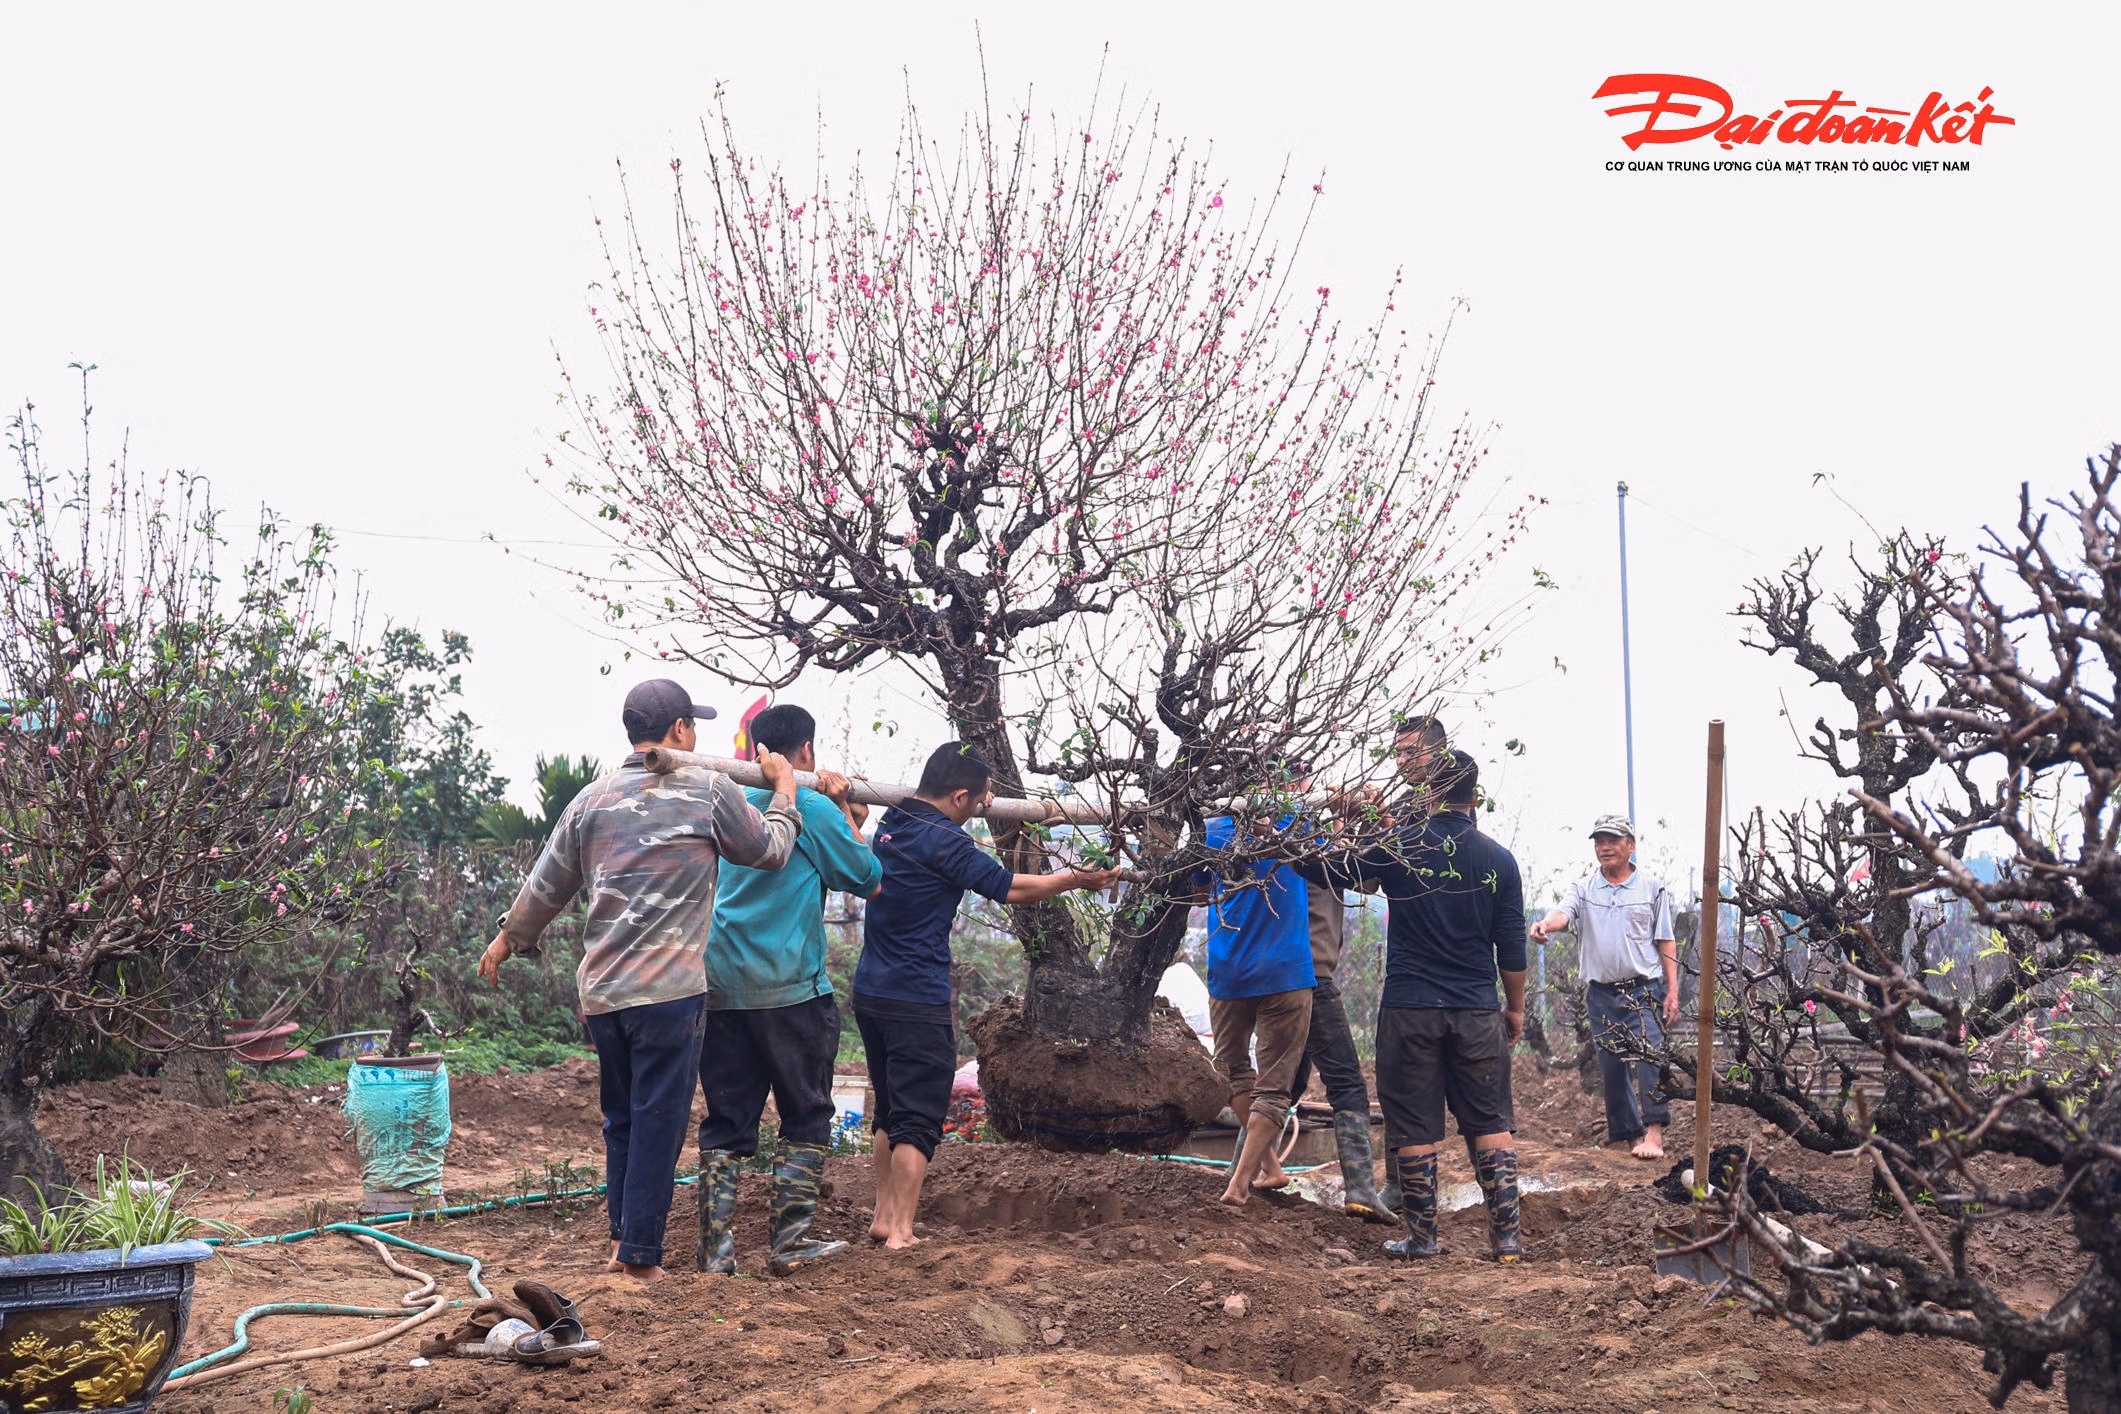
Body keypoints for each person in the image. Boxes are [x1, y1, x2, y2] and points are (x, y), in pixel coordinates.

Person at [479, 679, 802, 1284]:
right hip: (668, 994)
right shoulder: (709, 790)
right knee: (658, 1121)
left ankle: (622, 1241)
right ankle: (640, 1258)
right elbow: (770, 851)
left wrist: (507, 939)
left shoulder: (591, 800)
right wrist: (784, 792)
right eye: (693, 724)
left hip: (603, 996)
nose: (696, 735)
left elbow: (546, 884)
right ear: (679, 729)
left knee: (624, 1120)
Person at [852, 742, 1118, 1248]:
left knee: (889, 1110)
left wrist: (979, 793)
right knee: (917, 1118)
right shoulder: (946, 842)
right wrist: (1075, 879)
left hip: (871, 993)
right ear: (958, 796)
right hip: (918, 998)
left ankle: (884, 1217)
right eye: (976, 801)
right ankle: (902, 1232)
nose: (980, 807)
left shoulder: (894, 819)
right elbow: (1009, 887)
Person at [1297, 751, 1529, 1261]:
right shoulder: (1499, 860)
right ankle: (1507, 1242)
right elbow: (1512, 949)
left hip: (1410, 1008)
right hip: (1477, 1009)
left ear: (1428, 793)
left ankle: (1423, 1240)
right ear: (1475, 795)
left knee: (1414, 1123)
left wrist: (1282, 840)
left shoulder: (1400, 847)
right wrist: (1514, 1009)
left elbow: (1332, 870)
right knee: (1491, 1121)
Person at [696, 704, 880, 1277]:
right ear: (806, 752)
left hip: (722, 985)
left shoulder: (726, 800)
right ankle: (790, 1242)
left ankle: (715, 1252)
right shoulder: (812, 805)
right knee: (805, 1113)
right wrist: (847, 812)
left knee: (726, 1121)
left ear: (756, 749)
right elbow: (867, 878)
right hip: (792, 989)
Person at [1530, 814, 1679, 1160]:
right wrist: (1545, 925)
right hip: (1601, 993)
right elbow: (1563, 913)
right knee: (1611, 1067)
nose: (1605, 847)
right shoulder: (1584, 889)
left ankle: (1654, 1134)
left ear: (1631, 845)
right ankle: (1631, 1138)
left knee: (1651, 1058)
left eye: (1613, 840)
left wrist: (1672, 989)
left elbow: (1665, 940)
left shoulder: (1652, 888)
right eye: (1599, 841)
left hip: (1643, 989)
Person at [1200, 803, 1316, 1210]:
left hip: (1229, 967)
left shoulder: (1209, 830)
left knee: (1232, 1069)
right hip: (1287, 971)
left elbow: (1195, 892)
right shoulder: (1297, 821)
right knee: (1274, 1083)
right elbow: (1328, 869)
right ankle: (1246, 1180)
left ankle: (1260, 1171)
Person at [1288, 877, 1390, 1222]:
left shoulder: (1268, 851)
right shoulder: (1320, 854)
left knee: (1284, 1084)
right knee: (1347, 1084)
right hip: (1311, 976)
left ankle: (1243, 1173)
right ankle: (1361, 1189)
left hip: (1275, 977)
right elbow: (1370, 879)